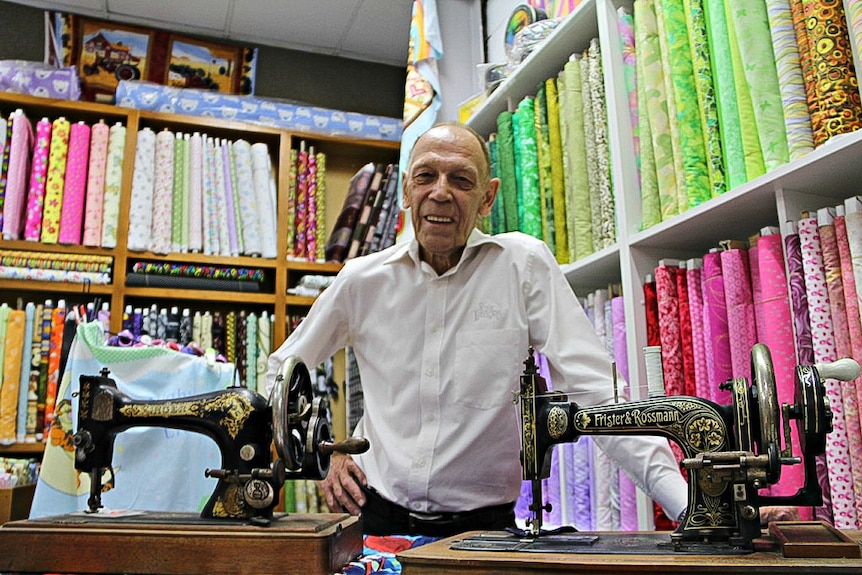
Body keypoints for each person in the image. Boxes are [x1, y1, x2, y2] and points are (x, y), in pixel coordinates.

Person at [267, 122, 689, 537]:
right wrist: (316, 452)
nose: (440, 192)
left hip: (484, 532)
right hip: (375, 522)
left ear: (487, 198)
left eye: (461, 180)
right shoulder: (363, 280)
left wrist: (687, 508)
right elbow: (282, 372)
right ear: (406, 192)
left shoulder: (524, 267)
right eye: (426, 176)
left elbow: (599, 395)